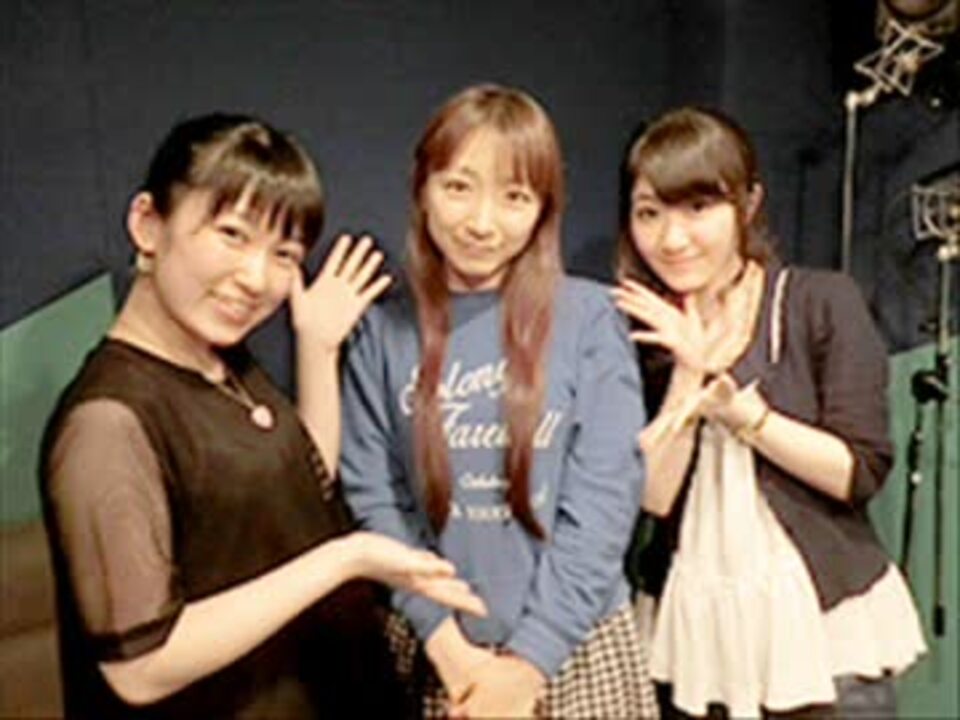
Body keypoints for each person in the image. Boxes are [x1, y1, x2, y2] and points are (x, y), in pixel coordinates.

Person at [39, 112, 485, 719]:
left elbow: (297, 486)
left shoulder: (219, 361)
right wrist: (347, 558)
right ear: (148, 224)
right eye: (231, 234)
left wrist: (317, 348)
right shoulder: (107, 421)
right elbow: (141, 666)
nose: (255, 277)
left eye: (283, 253)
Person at [338, 84, 658, 719]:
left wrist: (527, 666)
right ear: (422, 188)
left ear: (543, 208)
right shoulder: (382, 331)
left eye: (514, 197)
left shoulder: (590, 318)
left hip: (577, 648)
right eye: (459, 187)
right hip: (438, 654)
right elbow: (376, 498)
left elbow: (603, 503)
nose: (482, 223)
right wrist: (446, 644)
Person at [612, 106, 927, 719]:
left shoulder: (819, 301)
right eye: (650, 213)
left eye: (697, 207)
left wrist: (742, 414)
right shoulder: (638, 330)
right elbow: (653, 497)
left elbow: (857, 471)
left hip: (818, 633)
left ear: (748, 203)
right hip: (696, 637)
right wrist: (687, 372)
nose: (672, 238)